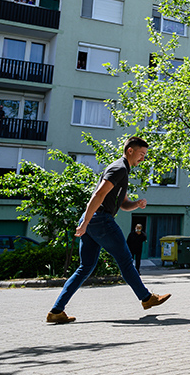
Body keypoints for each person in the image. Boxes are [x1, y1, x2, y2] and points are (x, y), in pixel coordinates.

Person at [46, 137, 171, 324]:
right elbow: (99, 194)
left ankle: (56, 311)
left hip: (93, 220)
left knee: (85, 267)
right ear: (130, 150)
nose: (143, 159)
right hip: (100, 220)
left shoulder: (123, 171)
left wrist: (136, 204)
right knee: (125, 260)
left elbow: (123, 204)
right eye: (141, 154)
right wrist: (86, 222)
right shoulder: (118, 168)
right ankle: (146, 298)